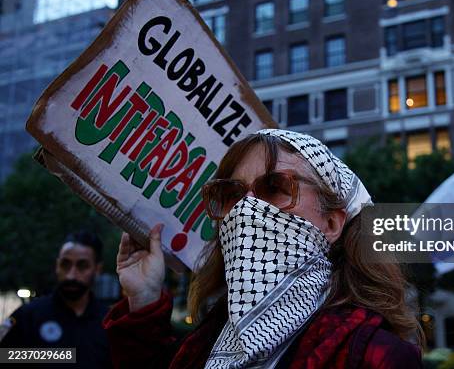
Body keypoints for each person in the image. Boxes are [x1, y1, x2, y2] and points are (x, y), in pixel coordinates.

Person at [103, 129, 424, 368]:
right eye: (231, 194)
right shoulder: (203, 342)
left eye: (275, 187)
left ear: (332, 223)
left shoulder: (375, 357)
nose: (246, 209)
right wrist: (143, 299)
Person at [0, 230, 112, 368]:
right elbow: (5, 356)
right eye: (65, 264)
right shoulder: (28, 316)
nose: (71, 275)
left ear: (97, 269)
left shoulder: (110, 322)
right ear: (57, 265)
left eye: (82, 266)